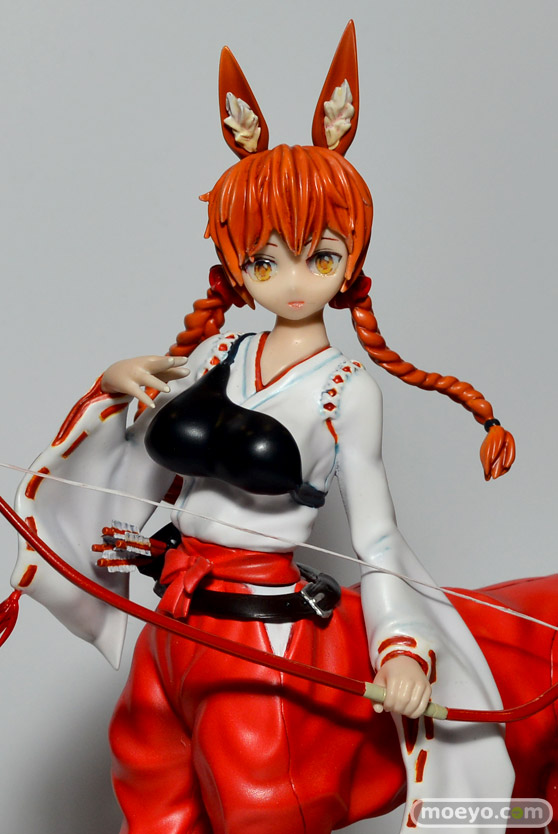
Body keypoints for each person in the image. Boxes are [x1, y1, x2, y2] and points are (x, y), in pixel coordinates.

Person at [10, 22, 515, 834]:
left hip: (258, 636)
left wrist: (401, 646)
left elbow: (377, 538)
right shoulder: (223, 354)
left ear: (351, 259)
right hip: (171, 625)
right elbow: (141, 462)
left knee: (261, 811)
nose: (292, 281)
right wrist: (115, 387)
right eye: (265, 260)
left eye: (321, 256)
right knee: (151, 799)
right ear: (238, 263)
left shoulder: (346, 388)